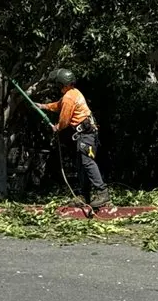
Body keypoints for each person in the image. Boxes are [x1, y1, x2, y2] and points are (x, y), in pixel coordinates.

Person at [37, 68, 110, 209]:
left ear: (61, 84)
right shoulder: (73, 93)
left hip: (87, 135)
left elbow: (64, 120)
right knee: (81, 164)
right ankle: (85, 195)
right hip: (86, 134)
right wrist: (43, 106)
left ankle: (102, 193)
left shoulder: (69, 97)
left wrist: (57, 127)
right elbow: (59, 105)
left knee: (87, 162)